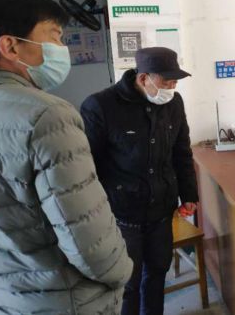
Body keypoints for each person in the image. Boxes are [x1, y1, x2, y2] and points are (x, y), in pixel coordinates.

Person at [0, 0, 133, 314]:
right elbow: (88, 238)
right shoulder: (46, 116)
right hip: (65, 298)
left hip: (1, 297)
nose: (62, 48)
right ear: (10, 46)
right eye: (54, 36)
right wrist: (121, 272)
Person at [80, 47, 199, 315]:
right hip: (122, 214)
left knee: (157, 272)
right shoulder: (100, 106)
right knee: (128, 283)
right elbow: (89, 167)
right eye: (166, 82)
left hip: (162, 210)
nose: (172, 88)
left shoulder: (173, 103)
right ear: (144, 78)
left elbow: (181, 152)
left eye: (175, 82)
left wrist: (189, 194)